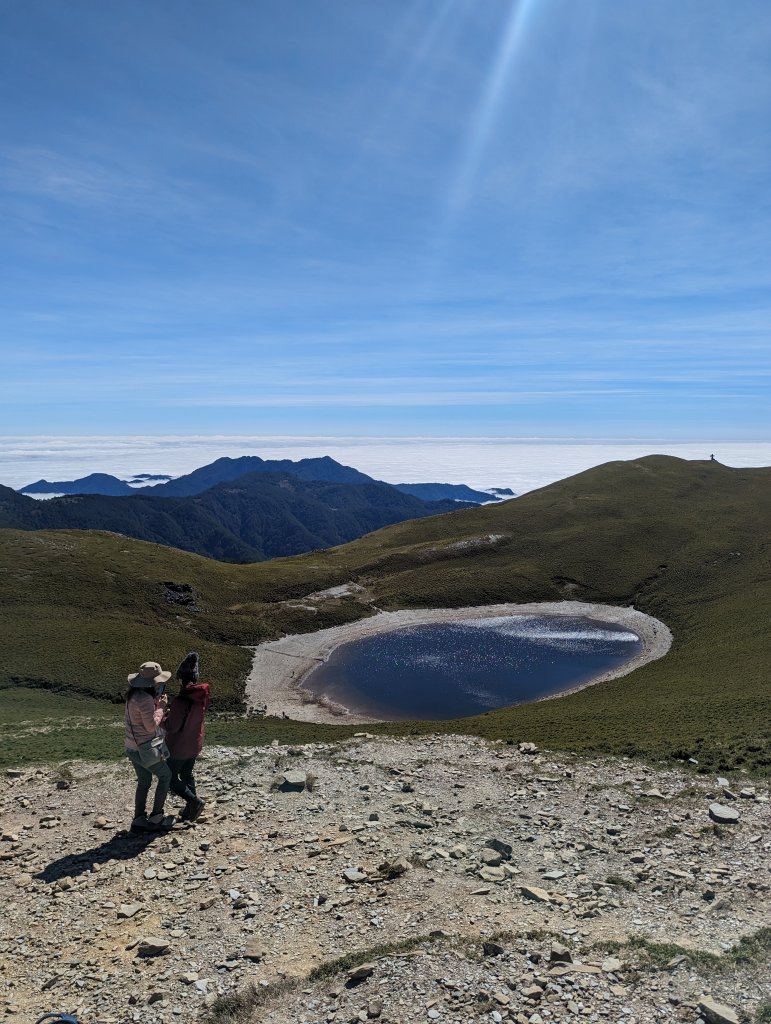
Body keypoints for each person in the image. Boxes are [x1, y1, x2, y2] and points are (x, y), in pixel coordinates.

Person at [125, 661, 173, 833]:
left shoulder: (133, 696)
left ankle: (139, 820)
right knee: (166, 776)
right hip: (145, 748)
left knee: (144, 782)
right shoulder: (145, 699)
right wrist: (160, 708)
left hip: (132, 747)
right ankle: (156, 817)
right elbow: (151, 726)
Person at [164, 652, 209, 822]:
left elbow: (172, 727)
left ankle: (194, 801)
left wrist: (163, 717)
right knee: (187, 773)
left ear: (180, 678)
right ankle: (193, 808)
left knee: (170, 778)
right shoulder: (201, 697)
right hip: (194, 743)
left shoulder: (181, 700)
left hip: (178, 746)